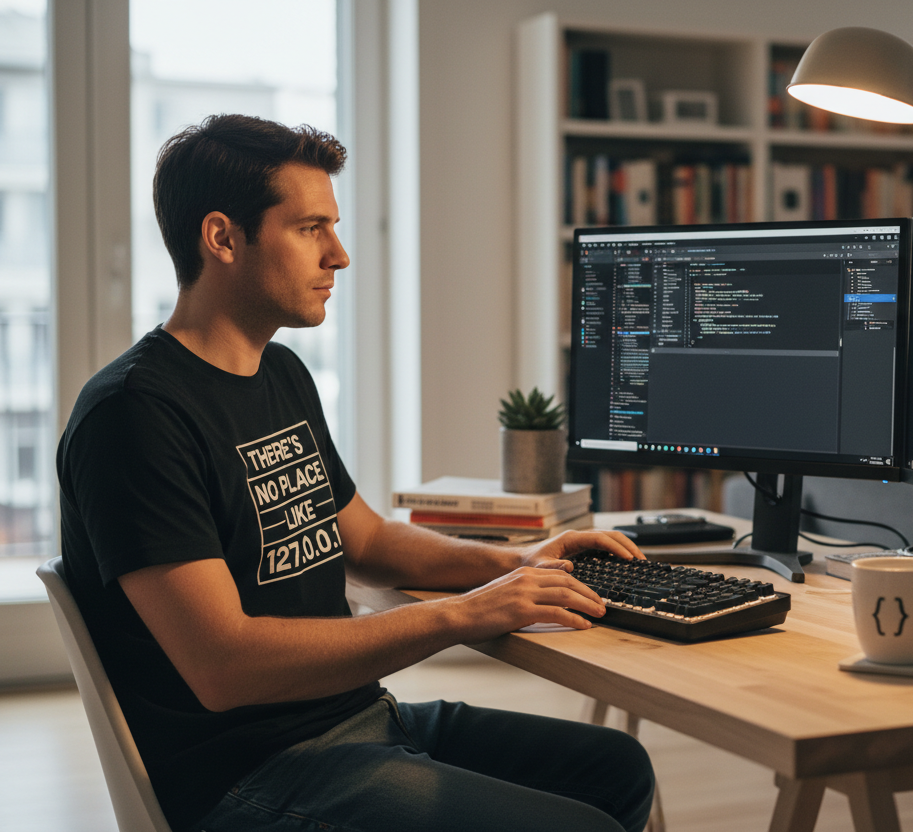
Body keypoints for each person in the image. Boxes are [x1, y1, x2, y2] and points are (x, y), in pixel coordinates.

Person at [56, 114, 655, 832]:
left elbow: (364, 539)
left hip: (359, 719)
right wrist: (459, 615)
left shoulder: (279, 371)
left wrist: (513, 564)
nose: (338, 255)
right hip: (247, 771)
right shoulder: (133, 415)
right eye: (310, 228)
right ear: (221, 237)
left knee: (619, 769)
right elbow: (224, 666)